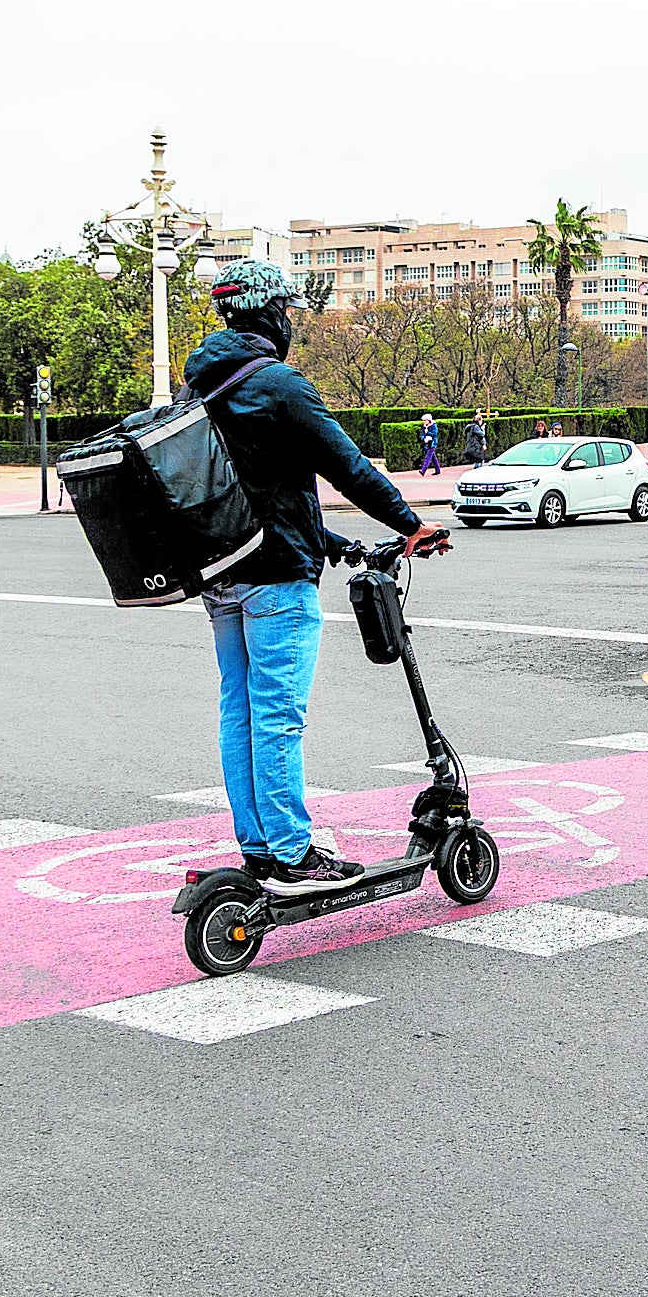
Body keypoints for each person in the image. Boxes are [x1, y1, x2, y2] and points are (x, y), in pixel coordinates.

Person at [184, 258, 449, 885]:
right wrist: (409, 524)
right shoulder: (277, 385)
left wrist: (331, 540)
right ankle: (294, 853)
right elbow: (347, 466)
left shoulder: (200, 390)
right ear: (274, 314)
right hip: (276, 581)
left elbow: (250, 493)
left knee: (241, 711)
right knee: (278, 714)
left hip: (223, 576)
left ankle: (259, 845)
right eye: (287, 312)